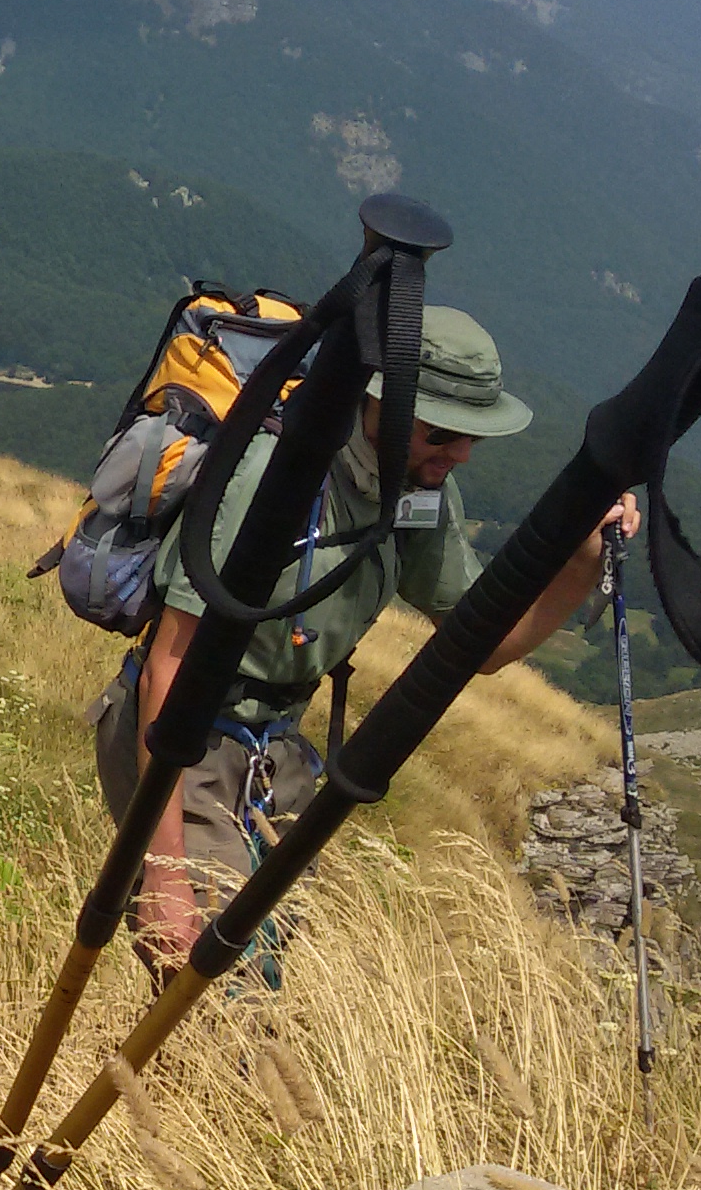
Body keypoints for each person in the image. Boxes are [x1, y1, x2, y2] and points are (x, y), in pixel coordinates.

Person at [92, 307, 639, 976]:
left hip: (275, 751)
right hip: (182, 740)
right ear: (382, 404)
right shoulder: (274, 476)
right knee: (210, 982)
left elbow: (484, 644)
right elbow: (169, 667)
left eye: (473, 437)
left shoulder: (419, 488)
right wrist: (165, 874)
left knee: (252, 971)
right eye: (442, 431)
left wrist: (582, 562)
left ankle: (184, 1083)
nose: (460, 453)